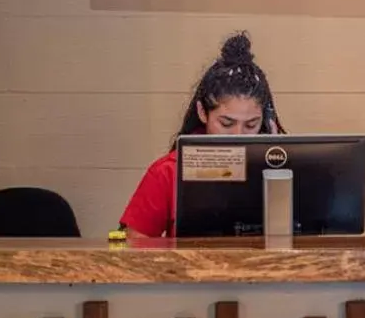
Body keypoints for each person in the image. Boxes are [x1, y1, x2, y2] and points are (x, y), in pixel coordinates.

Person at [118, 33, 284, 238]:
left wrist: (279, 163)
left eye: (251, 124)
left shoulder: (288, 172)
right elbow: (134, 243)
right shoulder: (168, 171)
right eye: (226, 123)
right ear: (202, 112)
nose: (237, 136)